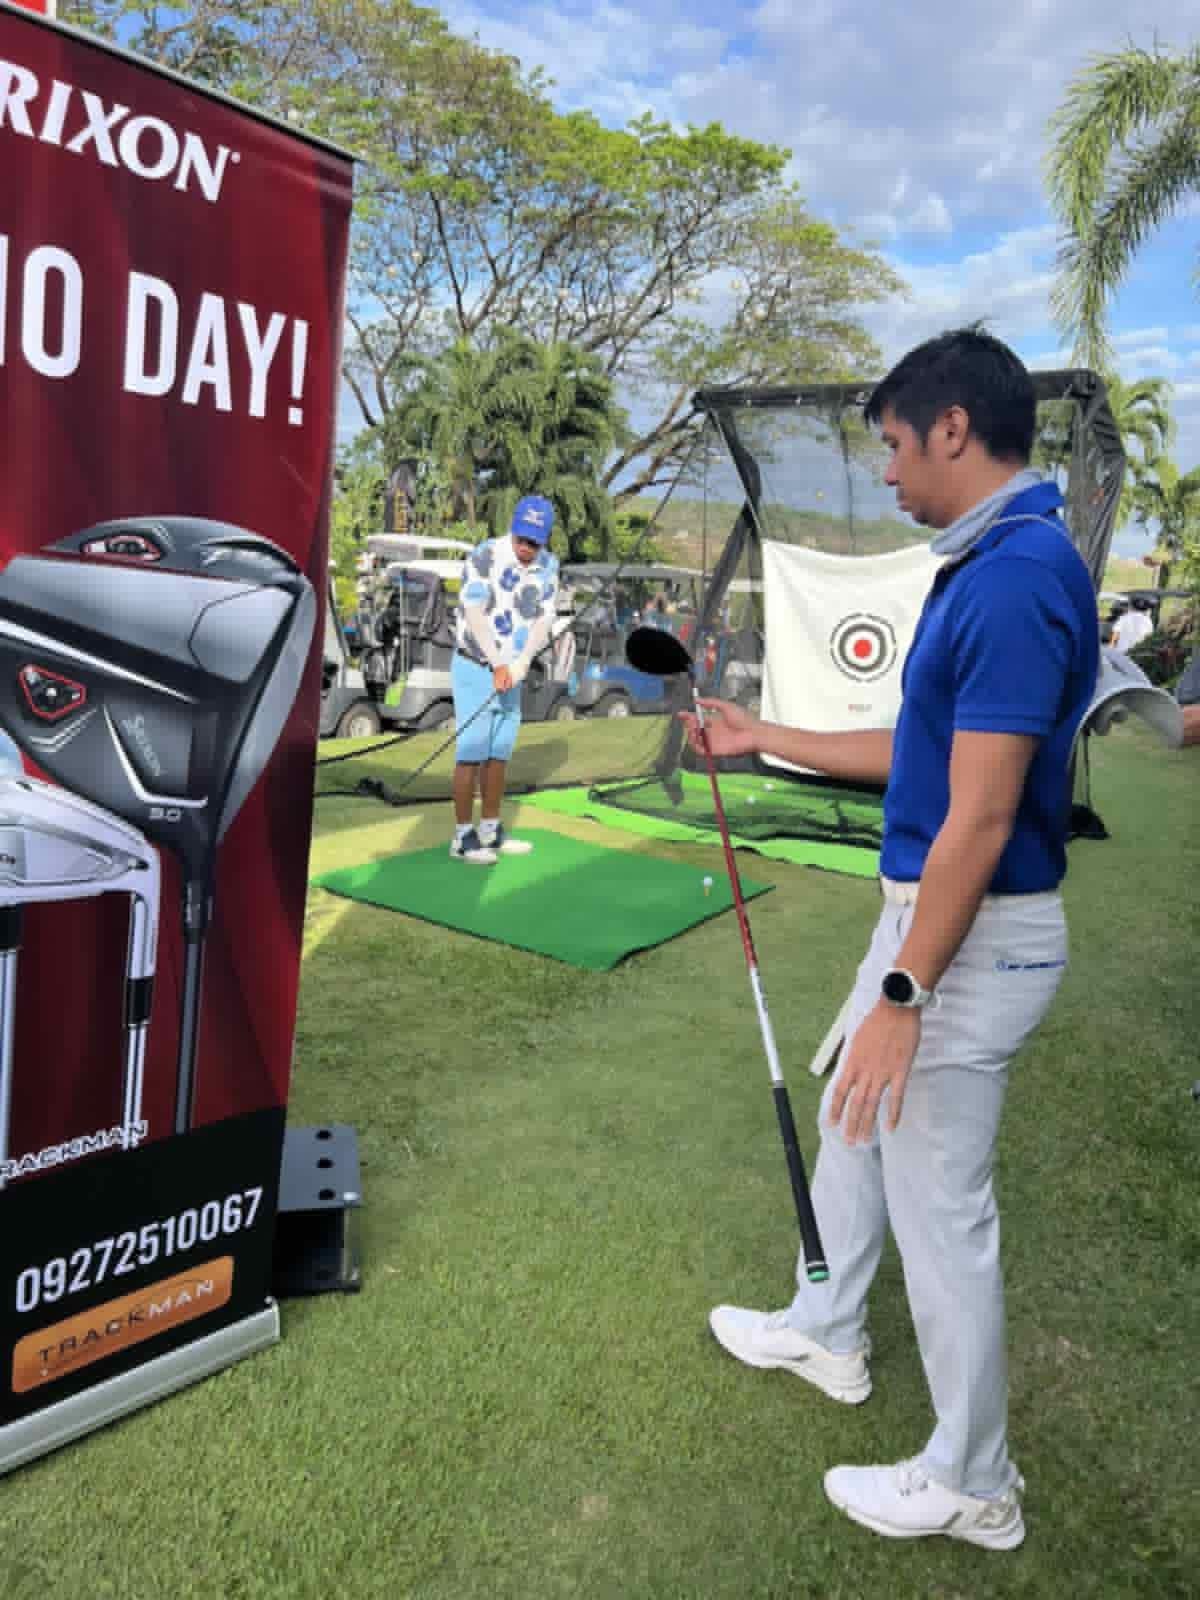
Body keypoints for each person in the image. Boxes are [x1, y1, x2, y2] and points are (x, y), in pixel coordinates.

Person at [683, 329, 1098, 1551]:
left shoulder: (1018, 578)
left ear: (954, 429)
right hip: (933, 923)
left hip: (967, 938)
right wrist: (764, 735)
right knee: (852, 1121)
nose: (890, 472)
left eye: (896, 446)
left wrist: (906, 992)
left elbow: (982, 815)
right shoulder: (990, 562)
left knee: (942, 1212)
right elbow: (923, 756)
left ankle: (975, 1480)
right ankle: (827, 1329)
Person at [450, 496, 559, 864]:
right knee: (471, 753)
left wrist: (523, 661)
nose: (526, 548)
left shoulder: (548, 566)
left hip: (513, 672)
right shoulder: (484, 555)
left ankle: (490, 830)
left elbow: (544, 618)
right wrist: (497, 662)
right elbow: (474, 612)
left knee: (498, 753)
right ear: (512, 528)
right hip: (475, 664)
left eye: (534, 542)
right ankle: (462, 837)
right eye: (522, 539)